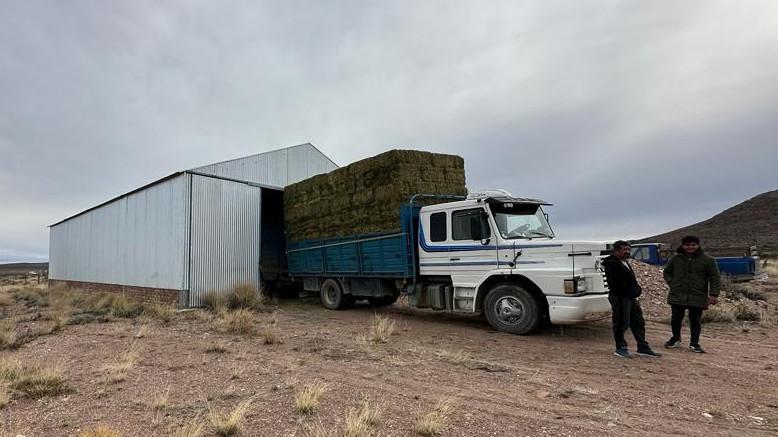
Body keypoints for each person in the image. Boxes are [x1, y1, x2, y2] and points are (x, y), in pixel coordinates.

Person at [602, 240, 661, 358]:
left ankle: (643, 347)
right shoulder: (612, 263)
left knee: (638, 322)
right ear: (616, 250)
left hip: (630, 297)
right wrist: (633, 291)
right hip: (620, 297)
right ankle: (621, 348)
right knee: (621, 323)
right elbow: (616, 283)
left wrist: (636, 290)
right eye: (624, 249)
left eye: (628, 249)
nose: (627, 252)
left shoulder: (624, 262)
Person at [662, 235, 721, 353]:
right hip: (678, 294)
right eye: (687, 245)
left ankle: (694, 343)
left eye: (693, 245)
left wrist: (714, 294)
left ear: (698, 245)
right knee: (676, 319)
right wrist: (672, 283)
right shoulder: (675, 259)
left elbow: (715, 277)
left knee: (695, 320)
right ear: (683, 246)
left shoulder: (708, 260)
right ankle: (675, 338)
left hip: (697, 294)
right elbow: (667, 272)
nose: (690, 247)